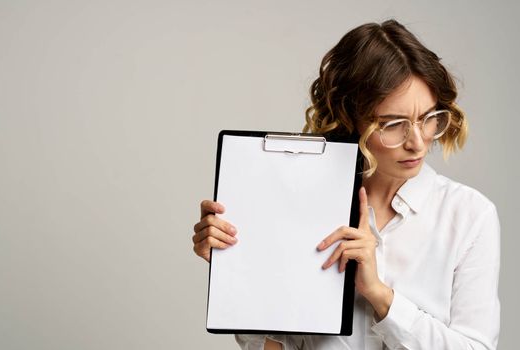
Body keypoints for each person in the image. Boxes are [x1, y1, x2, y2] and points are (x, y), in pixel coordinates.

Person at [192, 19, 500, 350]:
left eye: (428, 118)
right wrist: (243, 268)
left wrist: (380, 296)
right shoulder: (299, 203)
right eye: (392, 124)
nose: (418, 143)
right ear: (351, 118)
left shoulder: (469, 215)